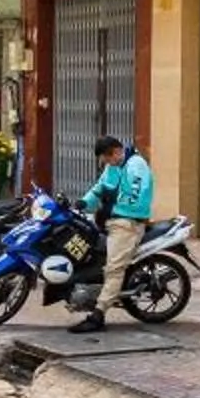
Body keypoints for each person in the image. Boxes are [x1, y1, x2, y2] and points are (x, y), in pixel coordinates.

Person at [73, 134, 154, 334]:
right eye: (104, 160)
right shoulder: (112, 166)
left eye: (108, 159)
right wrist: (84, 202)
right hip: (110, 220)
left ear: (117, 151)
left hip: (127, 223)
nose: (107, 163)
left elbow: (137, 196)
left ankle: (98, 315)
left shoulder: (136, 166)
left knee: (114, 268)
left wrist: (114, 210)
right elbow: (99, 188)